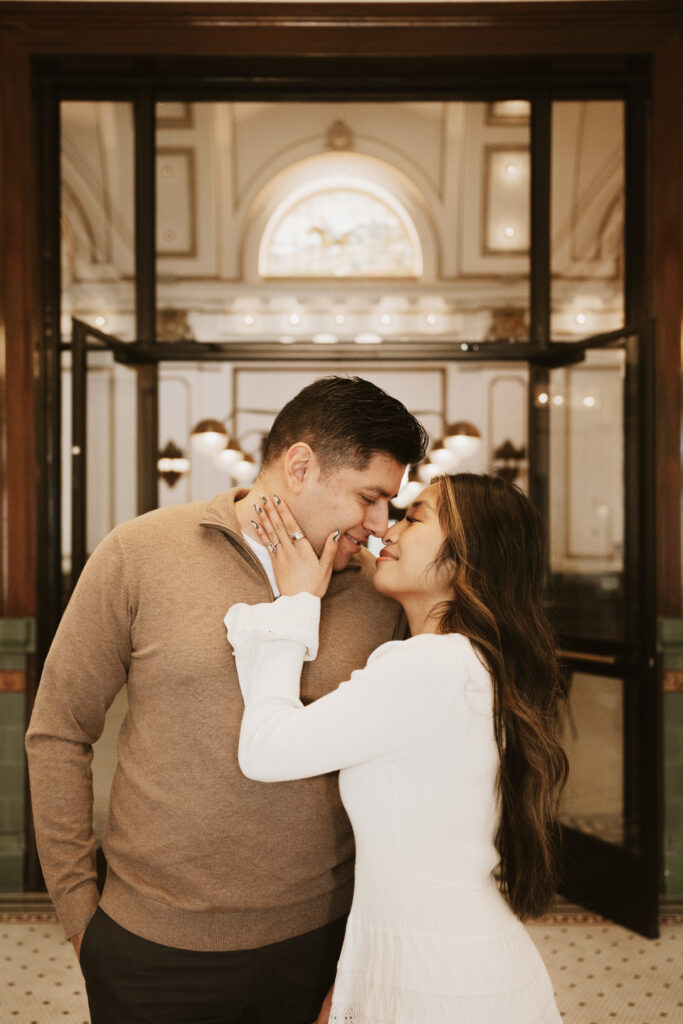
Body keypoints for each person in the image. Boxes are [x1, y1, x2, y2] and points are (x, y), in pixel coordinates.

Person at [25, 375, 428, 1024]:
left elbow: (401, 775)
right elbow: (58, 731)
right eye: (369, 498)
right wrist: (78, 913)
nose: (382, 526)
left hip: (319, 941)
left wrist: (364, 946)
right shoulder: (139, 552)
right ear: (299, 465)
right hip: (149, 946)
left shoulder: (377, 591)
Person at [226, 472, 569, 1024]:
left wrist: (293, 609)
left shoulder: (429, 666)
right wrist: (355, 977)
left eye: (414, 517)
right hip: (440, 953)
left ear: (464, 560)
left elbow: (264, 750)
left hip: (438, 976)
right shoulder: (470, 661)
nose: (388, 531)